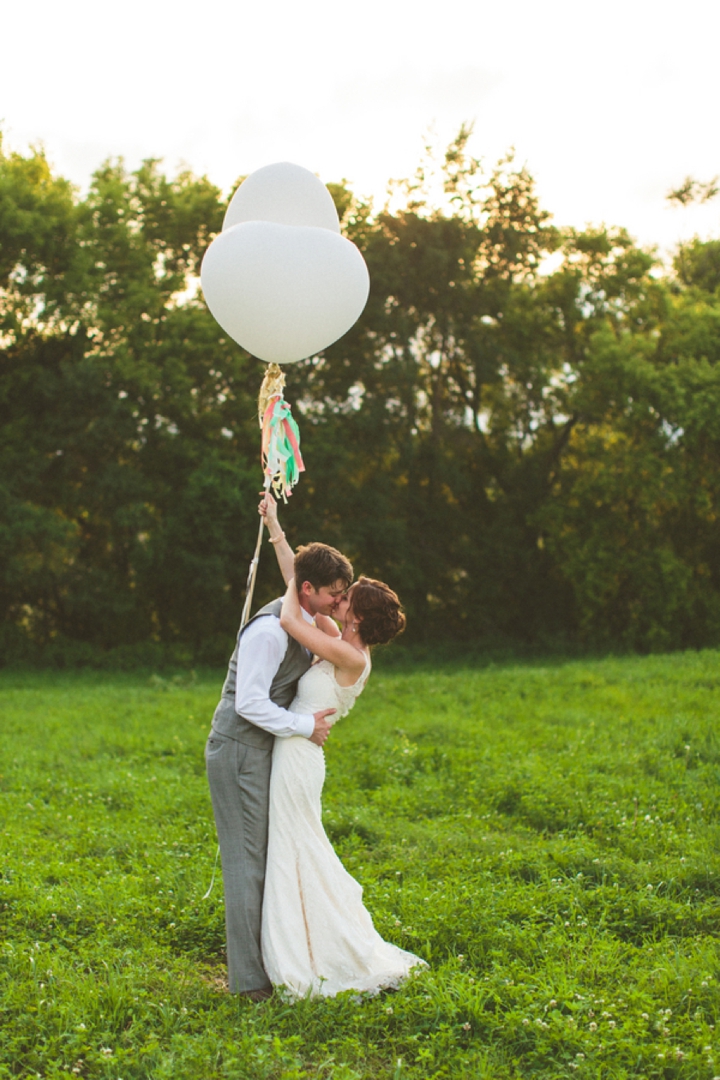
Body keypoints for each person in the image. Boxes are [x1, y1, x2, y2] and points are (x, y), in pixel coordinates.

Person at [259, 494, 427, 998]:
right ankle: (308, 943)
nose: (337, 598)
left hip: (300, 759)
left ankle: (310, 955)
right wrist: (275, 526)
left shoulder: (352, 657)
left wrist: (298, 583)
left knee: (293, 852)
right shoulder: (339, 635)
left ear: (355, 613)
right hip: (297, 752)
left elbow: (292, 615)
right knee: (295, 852)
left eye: (345, 595)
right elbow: (301, 586)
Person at [205, 530, 353, 999]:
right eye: (334, 592)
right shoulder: (269, 631)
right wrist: (304, 725)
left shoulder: (305, 618)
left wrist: (277, 531)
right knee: (247, 864)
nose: (339, 601)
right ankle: (249, 984)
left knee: (266, 859)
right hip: (238, 751)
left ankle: (269, 962)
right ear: (308, 589)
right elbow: (248, 703)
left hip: (263, 751)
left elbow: (296, 572)